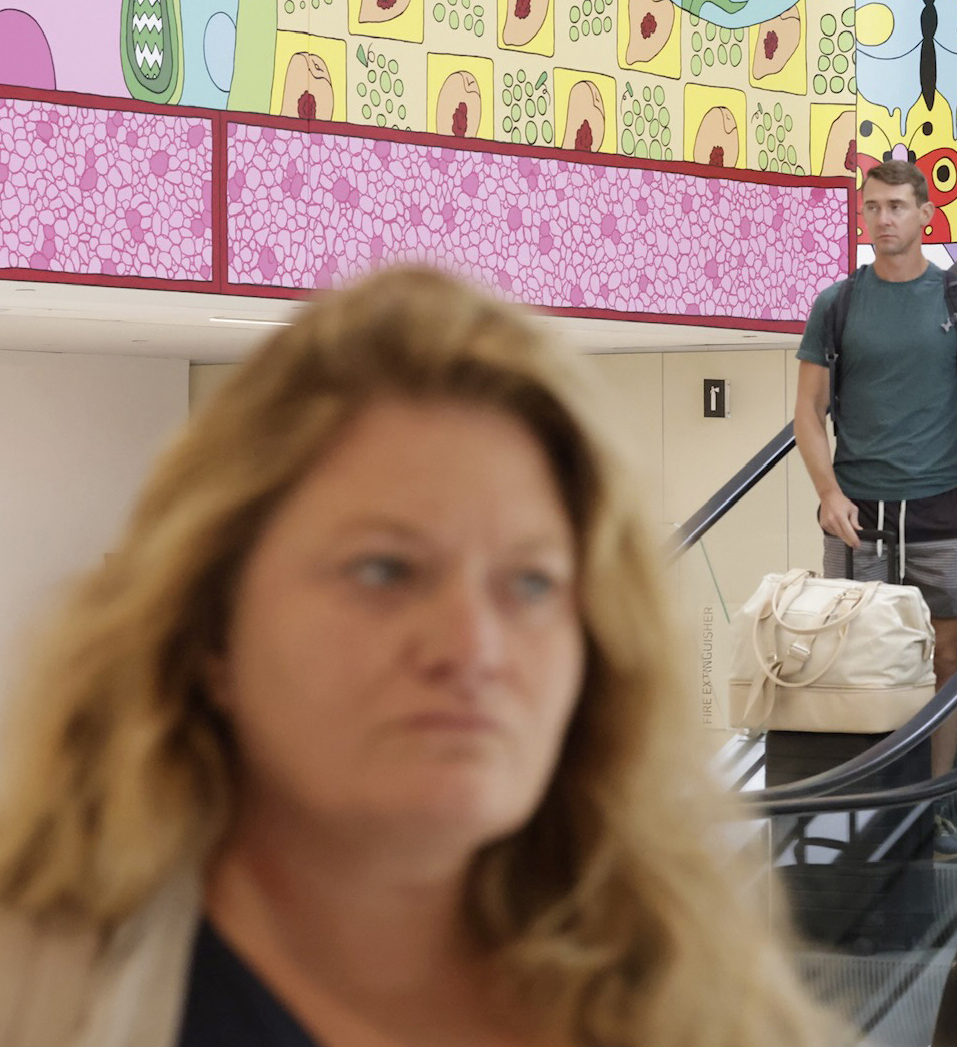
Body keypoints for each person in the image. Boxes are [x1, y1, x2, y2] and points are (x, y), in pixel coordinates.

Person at [0, 267, 838, 1047]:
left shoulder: (707, 999)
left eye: (531, 583)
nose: (472, 648)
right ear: (210, 628)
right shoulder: (43, 988)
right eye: (384, 570)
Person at [796, 158, 957, 859]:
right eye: (872, 208)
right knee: (856, 663)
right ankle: (862, 819)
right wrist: (827, 492)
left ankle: (929, 813)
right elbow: (807, 409)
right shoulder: (837, 302)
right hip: (859, 514)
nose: (882, 220)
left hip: (942, 509)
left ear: (924, 215)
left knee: (943, 658)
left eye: (895, 207)